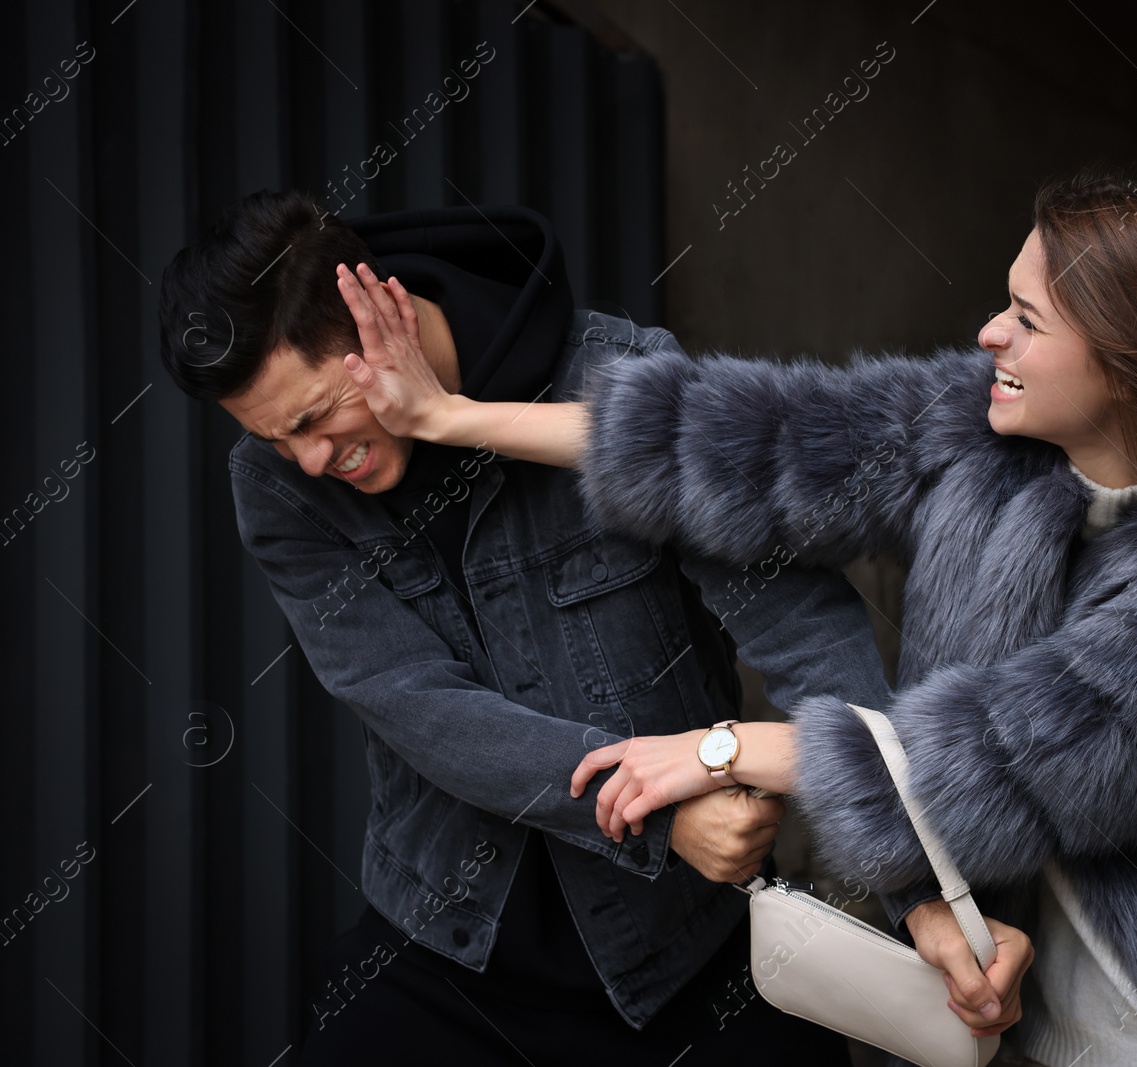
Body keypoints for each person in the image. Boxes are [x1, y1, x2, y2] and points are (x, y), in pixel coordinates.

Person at [335, 169, 1137, 1067]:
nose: (987, 335)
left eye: (1025, 318)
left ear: (1135, 364)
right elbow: (722, 442)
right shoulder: (983, 436)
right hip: (1057, 1006)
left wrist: (713, 748)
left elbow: (993, 759)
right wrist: (449, 419)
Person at [156, 191, 1021, 1064]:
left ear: (376, 314)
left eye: (312, 417)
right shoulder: (276, 487)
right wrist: (655, 812)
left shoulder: (620, 383)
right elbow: (415, 701)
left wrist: (916, 890)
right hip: (448, 945)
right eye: (275, 438)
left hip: (688, 949)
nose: (309, 461)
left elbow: (793, 615)